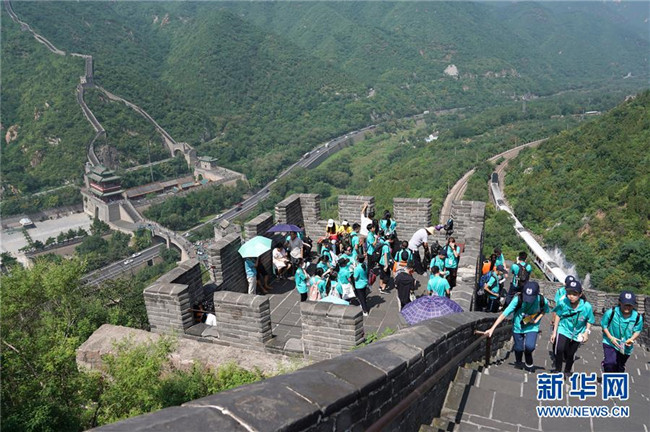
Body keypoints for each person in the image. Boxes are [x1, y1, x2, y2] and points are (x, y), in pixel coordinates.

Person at [485, 281, 550, 371]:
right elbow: (504, 314)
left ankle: (528, 361)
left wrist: (536, 319)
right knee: (518, 348)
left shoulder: (542, 300)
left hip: (532, 326)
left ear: (537, 295)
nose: (528, 300)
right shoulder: (517, 299)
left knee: (530, 346)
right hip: (518, 325)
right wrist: (492, 328)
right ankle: (518, 362)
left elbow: (545, 310)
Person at [550, 280, 595, 377]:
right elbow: (558, 316)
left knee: (570, 353)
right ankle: (558, 370)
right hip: (563, 328)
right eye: (569, 293)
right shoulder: (563, 302)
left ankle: (567, 370)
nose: (571, 296)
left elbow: (590, 320)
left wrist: (586, 332)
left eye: (574, 294)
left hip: (578, 332)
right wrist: (554, 332)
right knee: (559, 348)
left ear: (580, 294)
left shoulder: (587, 307)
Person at [601, 291, 644, 373]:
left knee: (619, 368)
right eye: (625, 304)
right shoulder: (611, 312)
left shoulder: (637, 317)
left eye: (630, 305)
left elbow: (637, 330)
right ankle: (606, 371)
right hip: (610, 342)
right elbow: (604, 325)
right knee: (610, 363)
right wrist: (611, 338)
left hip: (626, 346)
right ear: (620, 302)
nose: (627, 307)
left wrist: (631, 339)